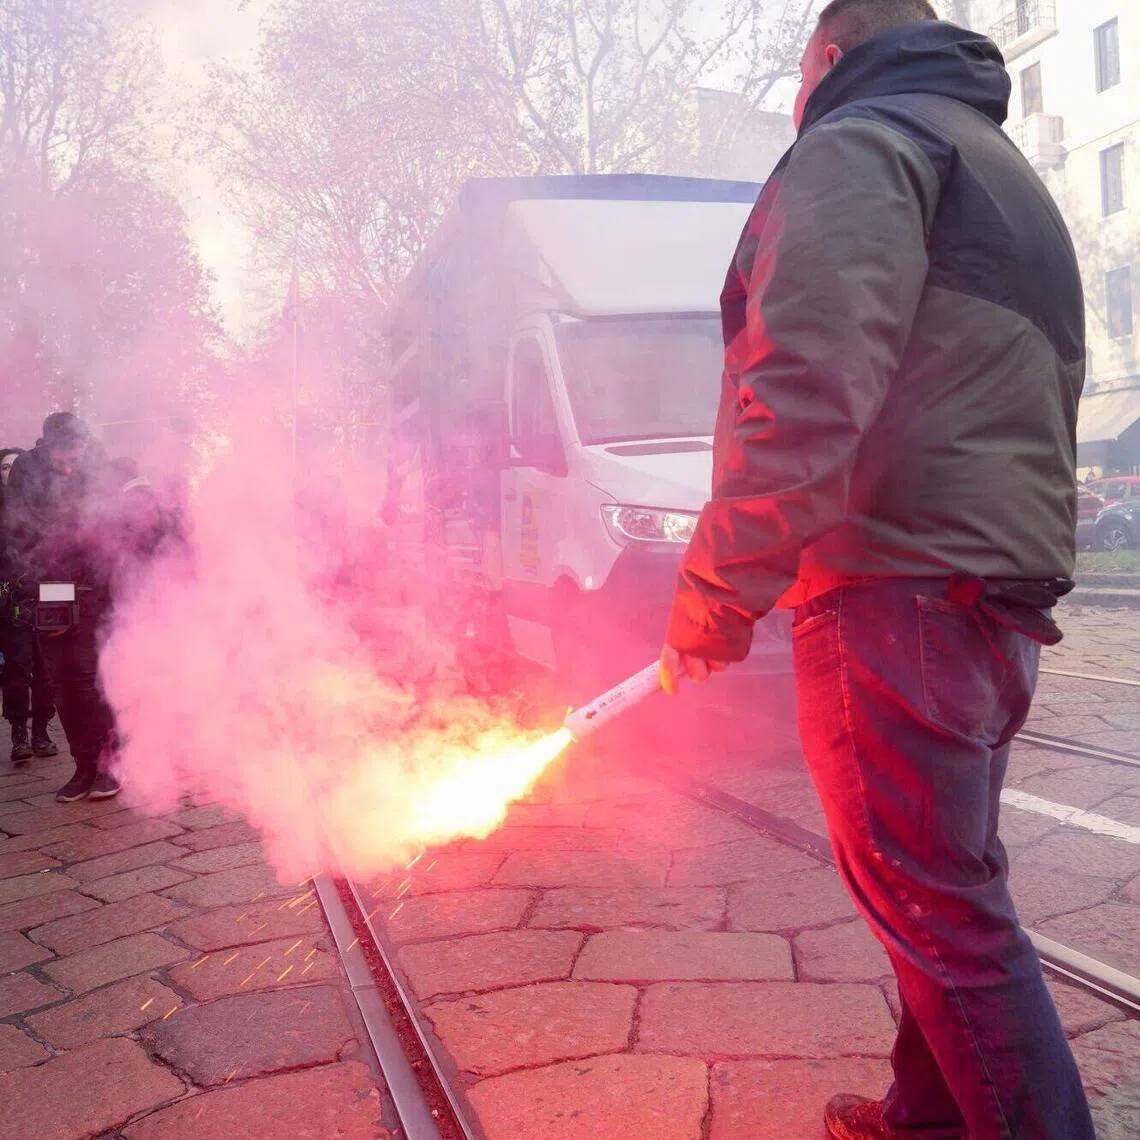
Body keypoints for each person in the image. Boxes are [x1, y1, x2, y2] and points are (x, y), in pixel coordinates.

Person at [658, 3, 1094, 1138]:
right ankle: (926, 1118)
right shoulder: (996, 167)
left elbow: (805, 379)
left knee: (936, 905)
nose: (798, 103)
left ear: (831, 60)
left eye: (802, 80)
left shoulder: (861, 145)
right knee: (941, 886)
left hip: (891, 577)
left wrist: (718, 590)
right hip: (991, 587)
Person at [6, 414, 121, 802]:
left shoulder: (98, 463)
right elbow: (15, 528)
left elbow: (113, 526)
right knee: (61, 682)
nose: (68, 466)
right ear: (46, 447)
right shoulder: (25, 469)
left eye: (75, 458)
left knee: (91, 680)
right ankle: (82, 765)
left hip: (92, 585)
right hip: (47, 584)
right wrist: (26, 580)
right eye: (61, 460)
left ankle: (109, 765)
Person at [1, 447, 59, 764]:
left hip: (43, 597)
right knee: (17, 669)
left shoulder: (42, 506)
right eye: (4, 466)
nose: (10, 471)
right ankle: (18, 732)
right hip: (11, 603)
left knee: (46, 667)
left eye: (15, 466)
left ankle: (41, 729)